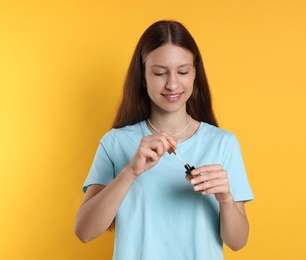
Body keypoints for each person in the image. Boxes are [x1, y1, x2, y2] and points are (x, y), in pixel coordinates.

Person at [75, 20, 254, 260]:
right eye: (159, 73)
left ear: (195, 74)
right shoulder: (114, 143)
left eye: (182, 72)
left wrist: (226, 199)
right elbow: (84, 232)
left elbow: (238, 242)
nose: (172, 84)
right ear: (143, 77)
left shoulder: (223, 143)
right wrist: (130, 171)